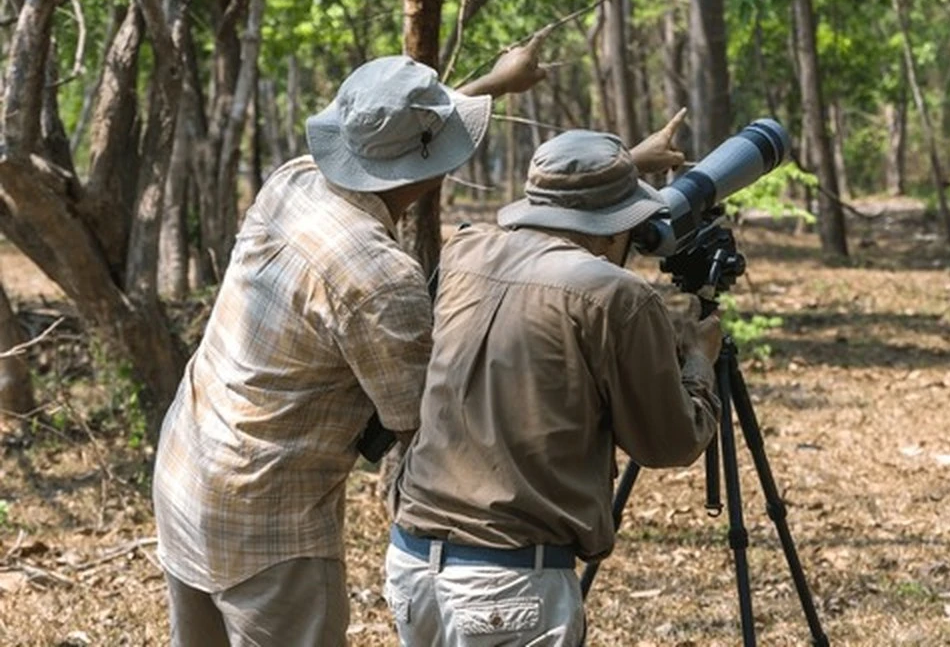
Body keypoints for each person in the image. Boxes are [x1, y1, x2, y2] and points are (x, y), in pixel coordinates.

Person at [152, 48, 545, 647]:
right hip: (268, 518)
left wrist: (493, 83)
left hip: (189, 472)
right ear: (434, 170)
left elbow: (388, 136)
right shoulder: (379, 276)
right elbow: (416, 416)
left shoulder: (294, 180)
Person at [384, 129, 724, 646]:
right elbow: (669, 443)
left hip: (413, 564)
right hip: (509, 581)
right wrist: (699, 361)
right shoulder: (614, 295)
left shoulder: (466, 252)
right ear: (613, 229)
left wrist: (615, 170)